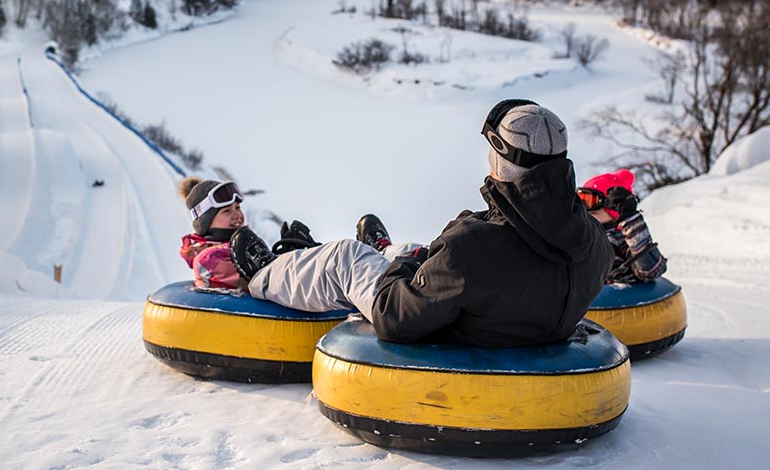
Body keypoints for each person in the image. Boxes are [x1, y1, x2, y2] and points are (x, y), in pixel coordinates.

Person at [229, 99, 614, 348]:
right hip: (507, 316)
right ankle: (386, 252)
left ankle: (263, 274)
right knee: (417, 252)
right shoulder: (596, 242)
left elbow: (393, 317)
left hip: (451, 330)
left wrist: (413, 264)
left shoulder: (469, 248)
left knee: (344, 257)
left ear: (499, 159)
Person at [178, 176, 328, 290]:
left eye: (237, 208)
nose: (237, 215)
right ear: (207, 222)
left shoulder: (239, 247)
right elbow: (258, 284)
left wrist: (291, 256)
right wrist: (285, 264)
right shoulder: (209, 258)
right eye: (227, 211)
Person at [576, 169, 667, 284]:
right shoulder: (582, 234)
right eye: (582, 200)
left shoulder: (623, 239)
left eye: (590, 200)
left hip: (613, 296)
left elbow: (651, 270)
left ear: (612, 206)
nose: (586, 209)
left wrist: (630, 220)